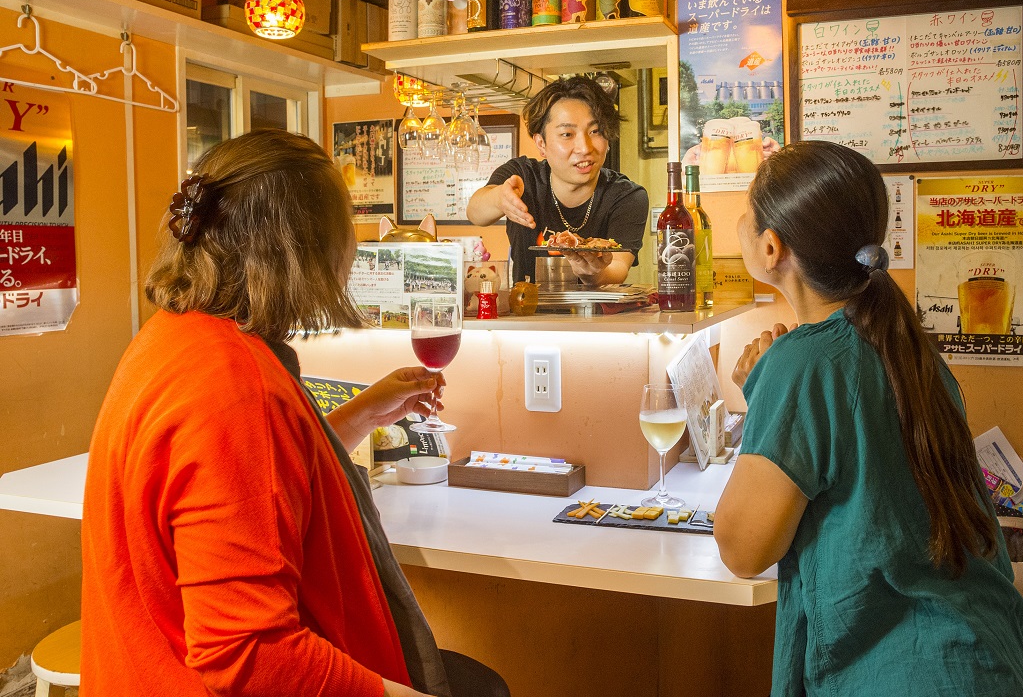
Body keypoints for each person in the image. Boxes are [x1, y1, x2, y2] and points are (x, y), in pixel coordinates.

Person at [81, 130, 508, 697]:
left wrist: (362, 414)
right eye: (343, 228)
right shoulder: (235, 388)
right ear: (304, 249)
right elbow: (250, 654)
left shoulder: (175, 337)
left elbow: (253, 486)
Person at [714, 140, 1023, 696]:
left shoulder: (805, 361)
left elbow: (742, 550)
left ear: (772, 248)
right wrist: (764, 391)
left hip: (905, 674)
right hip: (981, 655)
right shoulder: (900, 339)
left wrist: (766, 393)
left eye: (747, 213)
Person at [466, 76, 649, 285]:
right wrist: (500, 199)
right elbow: (475, 212)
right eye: (567, 134)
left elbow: (618, 267)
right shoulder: (523, 176)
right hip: (527, 312)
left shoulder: (627, 196)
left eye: (595, 131)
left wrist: (593, 273)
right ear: (541, 143)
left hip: (595, 316)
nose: (584, 147)